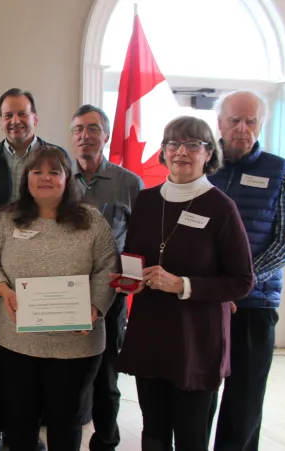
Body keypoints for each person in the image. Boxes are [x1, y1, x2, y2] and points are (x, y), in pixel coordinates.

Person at [115, 116, 254, 451]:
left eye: (193, 145)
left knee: (191, 436)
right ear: (163, 152)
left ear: (209, 154)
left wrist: (183, 285)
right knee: (154, 433)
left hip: (196, 339)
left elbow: (242, 280)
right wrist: (126, 281)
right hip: (151, 334)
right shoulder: (146, 201)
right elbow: (135, 259)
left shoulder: (221, 207)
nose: (181, 152)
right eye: (173, 144)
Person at [0, 145, 118, 451]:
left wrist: (95, 308)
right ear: (26, 178)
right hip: (15, 341)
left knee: (66, 425)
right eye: (37, 171)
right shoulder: (7, 219)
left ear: (67, 178)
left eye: (54, 172)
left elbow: (107, 269)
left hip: (75, 345)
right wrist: (4, 290)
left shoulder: (91, 220)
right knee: (19, 423)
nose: (45, 178)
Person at [0, 88, 67, 451]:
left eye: (22, 114)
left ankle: (30, 432)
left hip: (43, 270)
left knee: (39, 361)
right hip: (0, 268)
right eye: (8, 115)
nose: (15, 121)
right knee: (0, 359)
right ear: (0, 120)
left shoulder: (54, 157)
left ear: (35, 117)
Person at [208, 91, 285, 451]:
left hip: (253, 304)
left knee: (244, 398)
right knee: (198, 390)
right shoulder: (202, 166)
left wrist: (239, 285)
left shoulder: (280, 171)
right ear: (219, 124)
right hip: (204, 302)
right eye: (234, 120)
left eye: (251, 121)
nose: (242, 129)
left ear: (261, 124)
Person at [70, 105, 143, 451]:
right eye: (79, 129)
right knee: (67, 375)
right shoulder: (56, 179)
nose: (86, 136)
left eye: (94, 129)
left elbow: (138, 242)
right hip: (64, 294)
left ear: (106, 135)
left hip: (110, 297)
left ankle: (107, 440)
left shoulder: (129, 183)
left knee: (106, 377)